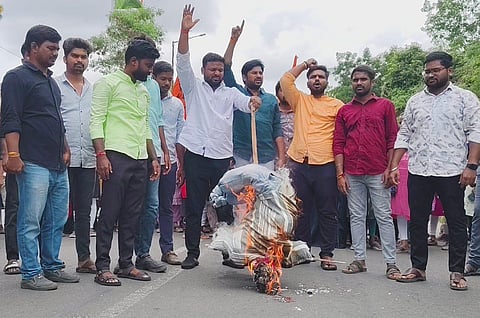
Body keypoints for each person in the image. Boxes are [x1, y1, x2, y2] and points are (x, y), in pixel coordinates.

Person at [175, 4, 261, 269]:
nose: (216, 73)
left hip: (222, 158)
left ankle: (229, 253)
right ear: (203, 71)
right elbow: (182, 60)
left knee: (224, 207)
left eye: (220, 70)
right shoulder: (192, 88)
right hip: (196, 156)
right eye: (212, 69)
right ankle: (192, 254)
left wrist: (253, 103)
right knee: (194, 208)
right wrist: (184, 31)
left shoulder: (231, 93)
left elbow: (247, 103)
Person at [390, 51, 480, 291]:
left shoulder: (465, 99)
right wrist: (394, 165)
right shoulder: (415, 101)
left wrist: (471, 166)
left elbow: (475, 133)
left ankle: (457, 273)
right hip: (420, 168)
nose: (430, 74)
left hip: (452, 170)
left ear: (449, 71)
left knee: (456, 221)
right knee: (417, 220)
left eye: (436, 70)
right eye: (427, 71)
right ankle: (418, 268)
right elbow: (405, 133)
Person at [1, 25, 80, 291]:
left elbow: (56, 119)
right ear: (33, 47)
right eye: (51, 48)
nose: (55, 54)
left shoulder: (50, 81)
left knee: (56, 220)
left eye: (57, 49)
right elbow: (10, 118)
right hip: (32, 161)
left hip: (57, 163)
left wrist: (65, 147)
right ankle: (30, 272)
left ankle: (52, 266)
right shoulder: (16, 78)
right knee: (30, 219)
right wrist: (12, 154)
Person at [90, 38, 161, 286]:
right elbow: (96, 121)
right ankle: (102, 266)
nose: (150, 70)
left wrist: (154, 157)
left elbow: (146, 128)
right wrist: (101, 155)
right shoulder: (107, 83)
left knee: (133, 214)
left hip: (140, 159)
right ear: (133, 62)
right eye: (148, 65)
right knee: (109, 213)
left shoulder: (143, 90)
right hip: (115, 157)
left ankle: (126, 264)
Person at [333, 64, 401, 279]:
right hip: (352, 171)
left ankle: (391, 264)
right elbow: (338, 143)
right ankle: (359, 259)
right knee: (356, 216)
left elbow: (393, 138)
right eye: (355, 80)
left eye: (363, 79)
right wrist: (340, 174)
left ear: (372, 82)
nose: (359, 83)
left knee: (383, 216)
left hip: (378, 171)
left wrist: (390, 168)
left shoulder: (385, 106)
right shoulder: (345, 110)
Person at [279, 58, 343, 270]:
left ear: (327, 82)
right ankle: (302, 250)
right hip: (299, 163)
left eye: (321, 77)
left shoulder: (337, 106)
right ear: (307, 82)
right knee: (300, 209)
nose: (317, 79)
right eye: (313, 77)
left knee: (327, 211)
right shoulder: (300, 100)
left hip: (325, 163)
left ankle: (327, 254)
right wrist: (305, 64)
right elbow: (286, 80)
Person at [55, 37, 97, 274]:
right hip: (61, 157)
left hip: (88, 157)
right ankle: (50, 260)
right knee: (57, 210)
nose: (79, 60)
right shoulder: (54, 85)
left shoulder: (95, 89)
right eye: (75, 56)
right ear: (65, 58)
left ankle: (84, 259)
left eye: (83, 57)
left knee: (83, 211)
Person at [223, 20, 285, 170]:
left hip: (266, 157)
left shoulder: (271, 100)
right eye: (254, 73)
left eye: (260, 73)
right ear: (244, 77)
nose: (258, 76)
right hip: (241, 156)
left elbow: (277, 128)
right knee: (243, 193)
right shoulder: (237, 94)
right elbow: (225, 66)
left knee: (265, 193)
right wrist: (233, 40)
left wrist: (282, 157)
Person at [132, 36, 171, 274]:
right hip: (129, 151)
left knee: (151, 206)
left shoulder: (154, 86)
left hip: (153, 153)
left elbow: (157, 120)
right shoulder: (124, 82)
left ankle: (143, 254)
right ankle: (123, 259)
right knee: (129, 206)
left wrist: (164, 151)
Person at [152, 60, 185, 265]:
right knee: (146, 207)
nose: (166, 83)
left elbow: (181, 136)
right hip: (147, 159)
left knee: (166, 207)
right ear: (153, 78)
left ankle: (168, 249)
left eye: (169, 79)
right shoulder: (146, 98)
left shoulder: (177, 104)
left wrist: (181, 165)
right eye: (162, 79)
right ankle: (142, 252)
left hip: (169, 162)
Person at [275, 81, 294, 154]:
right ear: (276, 94)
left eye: (288, 90)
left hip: (296, 158)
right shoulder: (273, 112)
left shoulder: (300, 111)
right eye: (282, 90)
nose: (285, 93)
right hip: (277, 157)